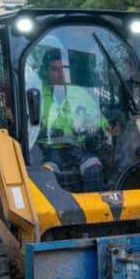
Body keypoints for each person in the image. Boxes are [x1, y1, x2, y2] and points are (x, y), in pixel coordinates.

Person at [37, 48, 106, 190]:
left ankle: (94, 209)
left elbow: (99, 119)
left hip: (77, 148)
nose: (61, 74)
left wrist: (96, 126)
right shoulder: (36, 94)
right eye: (55, 70)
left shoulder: (79, 93)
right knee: (48, 172)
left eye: (64, 69)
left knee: (93, 165)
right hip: (49, 150)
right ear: (46, 72)